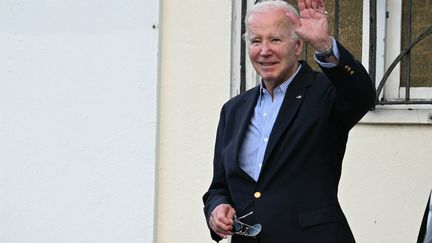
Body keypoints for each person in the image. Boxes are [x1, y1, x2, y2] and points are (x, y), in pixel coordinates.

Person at [202, 0, 376, 242]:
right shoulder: (234, 110)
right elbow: (219, 187)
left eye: (275, 40)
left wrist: (324, 45)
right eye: (255, 41)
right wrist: (216, 209)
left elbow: (363, 96)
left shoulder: (324, 93)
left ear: (297, 46)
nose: (264, 50)